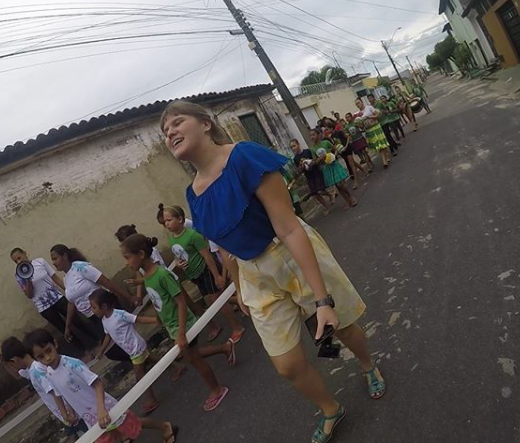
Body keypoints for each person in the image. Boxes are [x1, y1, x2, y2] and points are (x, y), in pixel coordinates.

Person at [161, 101, 385, 443]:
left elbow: (289, 228)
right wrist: (239, 289)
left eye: (177, 122)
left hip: (287, 252)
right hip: (253, 275)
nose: (170, 132)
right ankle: (331, 408)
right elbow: (224, 247)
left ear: (205, 123)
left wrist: (322, 300)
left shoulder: (244, 157)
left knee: (338, 326)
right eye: (165, 131)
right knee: (287, 365)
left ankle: (368, 365)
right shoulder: (193, 194)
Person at [121, 234, 235, 412]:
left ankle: (217, 389)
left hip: (183, 325)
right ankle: (225, 348)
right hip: (173, 326)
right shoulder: (148, 276)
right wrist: (160, 318)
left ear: (141, 254)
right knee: (191, 356)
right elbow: (158, 299)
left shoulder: (162, 274)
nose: (127, 263)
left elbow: (181, 302)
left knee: (194, 359)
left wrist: (181, 333)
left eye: (128, 257)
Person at [25, 328, 179, 443]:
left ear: (55, 344)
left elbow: (97, 383)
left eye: (49, 351)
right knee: (106, 437)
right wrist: (67, 413)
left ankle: (164, 426)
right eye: (41, 356)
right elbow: (61, 394)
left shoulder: (71, 364)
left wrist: (101, 409)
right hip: (90, 417)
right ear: (36, 359)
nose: (47, 358)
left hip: (104, 408)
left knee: (131, 423)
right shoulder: (49, 373)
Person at [162, 205, 246, 344]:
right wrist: (177, 263)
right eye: (165, 221)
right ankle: (242, 301)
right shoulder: (172, 238)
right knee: (213, 300)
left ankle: (237, 327)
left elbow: (207, 256)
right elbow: (177, 254)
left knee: (217, 300)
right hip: (195, 275)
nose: (167, 224)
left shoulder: (192, 235)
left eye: (169, 220)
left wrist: (217, 276)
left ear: (180, 219)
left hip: (205, 270)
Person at [49, 244, 136, 362]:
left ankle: (140, 359)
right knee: (111, 349)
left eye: (55, 258)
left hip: (106, 309)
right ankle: (138, 360)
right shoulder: (66, 278)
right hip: (93, 317)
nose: (54, 263)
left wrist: (129, 297)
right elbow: (71, 302)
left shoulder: (81, 267)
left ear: (65, 256)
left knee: (119, 342)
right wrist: (68, 326)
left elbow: (106, 282)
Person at [0, 337, 88, 443]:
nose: (14, 367)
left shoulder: (37, 371)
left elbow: (55, 391)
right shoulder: (31, 370)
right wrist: (5, 363)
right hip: (67, 415)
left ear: (15, 360)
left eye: (12, 364)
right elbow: (17, 375)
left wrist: (66, 412)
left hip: (71, 414)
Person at [89, 289, 161, 415]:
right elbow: (108, 336)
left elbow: (137, 319)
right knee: (149, 358)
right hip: (131, 350)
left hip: (136, 348)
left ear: (104, 306)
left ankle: (151, 399)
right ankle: (176, 366)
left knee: (140, 375)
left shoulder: (120, 315)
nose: (92, 311)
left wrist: (155, 320)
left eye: (94, 307)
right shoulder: (104, 321)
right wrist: (101, 351)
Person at [10, 248, 91, 348]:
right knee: (63, 328)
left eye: (19, 257)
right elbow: (29, 295)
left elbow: (55, 278)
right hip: (44, 307)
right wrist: (27, 279)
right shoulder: (19, 275)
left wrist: (70, 291)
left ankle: (96, 339)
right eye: (16, 261)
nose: (19, 262)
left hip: (57, 297)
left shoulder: (40, 262)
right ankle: (84, 350)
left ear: (25, 253)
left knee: (76, 319)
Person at [310, 128, 358, 209]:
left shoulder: (325, 142)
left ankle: (350, 196)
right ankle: (347, 202)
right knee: (337, 186)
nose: (312, 137)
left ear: (318, 135)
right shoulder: (312, 149)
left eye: (313, 135)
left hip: (333, 165)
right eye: (310, 135)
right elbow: (315, 160)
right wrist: (320, 159)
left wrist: (333, 156)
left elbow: (335, 149)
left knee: (340, 184)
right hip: (326, 168)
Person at [290, 139, 335, 216]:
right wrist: (302, 167)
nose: (293, 148)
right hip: (309, 176)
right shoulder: (295, 159)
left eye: (294, 146)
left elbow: (316, 159)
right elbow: (299, 169)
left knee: (320, 191)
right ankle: (327, 207)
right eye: (291, 147)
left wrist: (311, 162)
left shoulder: (308, 151)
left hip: (316, 172)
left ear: (298, 144)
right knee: (315, 193)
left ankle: (330, 195)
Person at [354, 98, 392, 168]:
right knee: (378, 145)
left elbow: (378, 115)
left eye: (358, 102)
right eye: (356, 104)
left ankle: (384, 161)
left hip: (376, 127)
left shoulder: (369, 108)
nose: (358, 105)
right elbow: (362, 127)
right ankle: (386, 156)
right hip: (369, 131)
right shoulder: (358, 115)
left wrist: (368, 117)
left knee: (381, 144)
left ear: (362, 102)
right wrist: (359, 124)